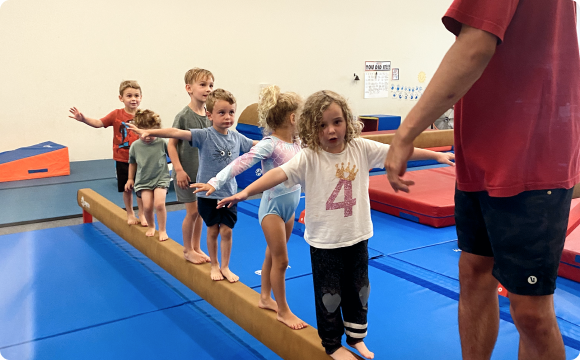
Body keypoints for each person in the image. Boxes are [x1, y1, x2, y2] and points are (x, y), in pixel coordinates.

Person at [384, 1, 580, 359]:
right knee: (474, 273)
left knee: (531, 311)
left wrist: (405, 134)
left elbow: (475, 45)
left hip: (530, 156)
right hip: (483, 156)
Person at [217, 90, 454, 360]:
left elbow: (396, 151)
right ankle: (332, 343)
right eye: (321, 125)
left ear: (347, 122)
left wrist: (434, 156)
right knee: (329, 294)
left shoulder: (361, 148)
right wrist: (245, 193)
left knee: (360, 290)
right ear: (309, 127)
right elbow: (277, 173)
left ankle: (356, 337)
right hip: (325, 241)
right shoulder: (310, 157)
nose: (331, 130)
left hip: (358, 234)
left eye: (337, 122)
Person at [192, 85, 307, 330]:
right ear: (292, 117)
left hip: (291, 208)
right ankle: (283, 310)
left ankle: (265, 298)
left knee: (273, 255)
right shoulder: (270, 144)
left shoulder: (299, 143)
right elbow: (240, 163)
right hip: (273, 208)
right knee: (282, 260)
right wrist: (215, 182)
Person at [127, 89, 258, 283]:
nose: (227, 117)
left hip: (229, 194)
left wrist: (279, 144)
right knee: (213, 230)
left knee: (227, 231)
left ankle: (225, 266)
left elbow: (256, 145)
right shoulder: (204, 135)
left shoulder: (237, 137)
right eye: (221, 113)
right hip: (208, 194)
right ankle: (214, 265)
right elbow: (175, 133)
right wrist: (150, 131)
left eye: (231, 112)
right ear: (210, 115)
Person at [69, 80, 147, 226]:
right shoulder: (116, 114)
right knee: (127, 188)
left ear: (141, 97)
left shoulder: (144, 115)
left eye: (136, 95)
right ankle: (130, 213)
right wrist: (83, 119)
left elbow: (152, 131)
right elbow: (99, 123)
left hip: (141, 159)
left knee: (142, 188)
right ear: (121, 98)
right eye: (129, 96)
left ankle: (142, 213)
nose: (133, 99)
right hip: (123, 158)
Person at [168, 68, 213, 264]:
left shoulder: (210, 116)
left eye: (211, 85)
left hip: (204, 174)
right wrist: (178, 169)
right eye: (203, 85)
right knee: (192, 212)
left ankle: (196, 247)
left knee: (201, 213)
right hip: (186, 174)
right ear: (189, 88)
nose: (208, 89)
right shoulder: (184, 116)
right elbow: (171, 144)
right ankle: (187, 250)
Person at [124, 110, 171, 241]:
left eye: (152, 131)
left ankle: (162, 230)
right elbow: (132, 163)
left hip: (160, 178)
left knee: (160, 204)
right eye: (143, 131)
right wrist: (130, 179)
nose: (148, 135)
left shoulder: (162, 143)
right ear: (137, 130)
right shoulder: (135, 146)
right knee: (148, 206)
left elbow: (173, 155)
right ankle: (151, 226)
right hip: (143, 181)